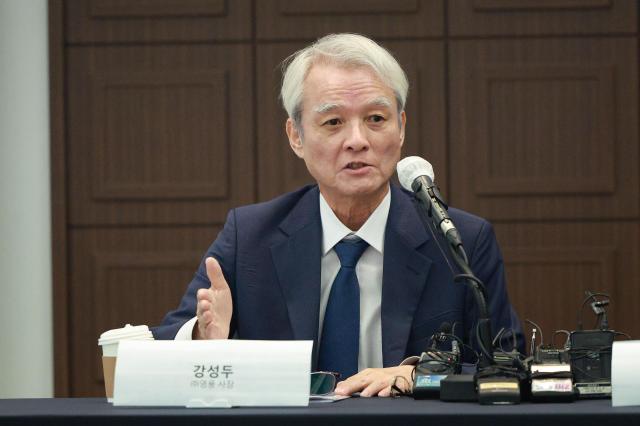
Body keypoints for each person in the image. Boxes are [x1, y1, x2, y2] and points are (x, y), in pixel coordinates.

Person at [152, 33, 523, 397]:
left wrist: (420, 375)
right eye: (333, 122)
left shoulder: (459, 241)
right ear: (295, 136)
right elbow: (163, 347)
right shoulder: (249, 237)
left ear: (401, 128)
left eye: (376, 118)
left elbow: (509, 365)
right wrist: (202, 339)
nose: (357, 140)